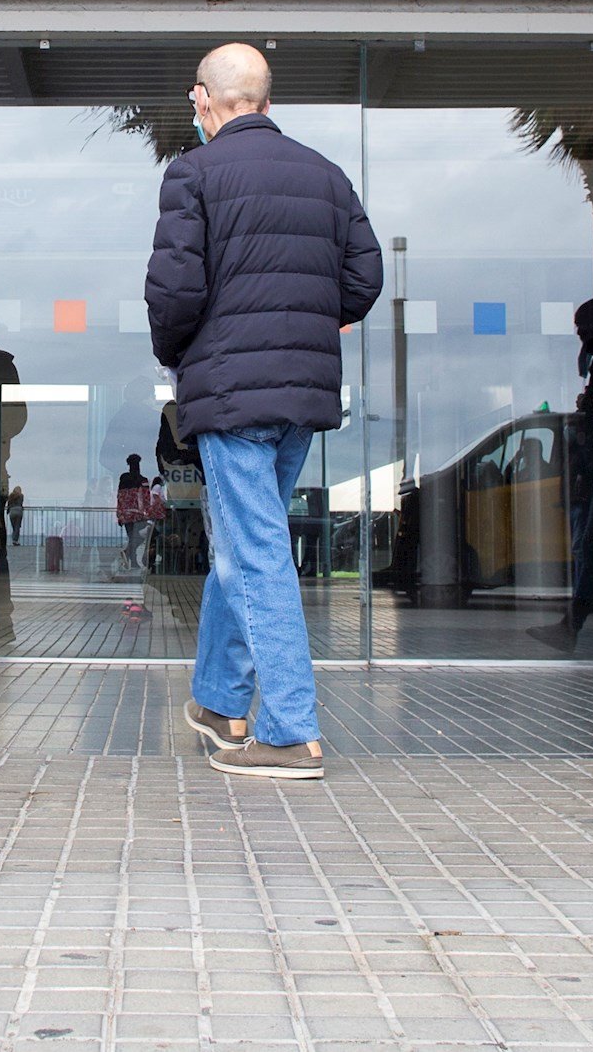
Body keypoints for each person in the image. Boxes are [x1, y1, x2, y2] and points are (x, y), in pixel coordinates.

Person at [146, 42, 383, 780]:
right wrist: (313, 317)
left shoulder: (193, 172)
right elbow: (364, 277)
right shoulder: (326, 176)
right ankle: (220, 700)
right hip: (301, 395)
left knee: (254, 552)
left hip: (230, 391)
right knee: (247, 544)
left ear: (201, 100)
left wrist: (177, 351)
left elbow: (175, 291)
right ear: (267, 103)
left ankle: (289, 732)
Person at [116, 453, 154, 571]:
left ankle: (128, 555)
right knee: (137, 537)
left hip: (128, 514)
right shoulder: (143, 480)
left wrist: (120, 514)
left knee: (133, 537)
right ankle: (131, 559)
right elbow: (147, 499)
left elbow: (120, 497)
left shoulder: (124, 478)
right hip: (138, 514)